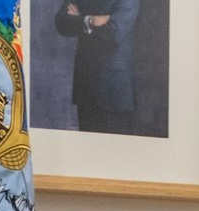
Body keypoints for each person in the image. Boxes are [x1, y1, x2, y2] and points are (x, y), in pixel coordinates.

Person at [54, 0, 140, 136]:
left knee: (115, 147)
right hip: (85, 87)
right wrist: (90, 20)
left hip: (115, 91)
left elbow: (115, 32)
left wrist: (80, 20)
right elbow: (61, 22)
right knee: (87, 146)